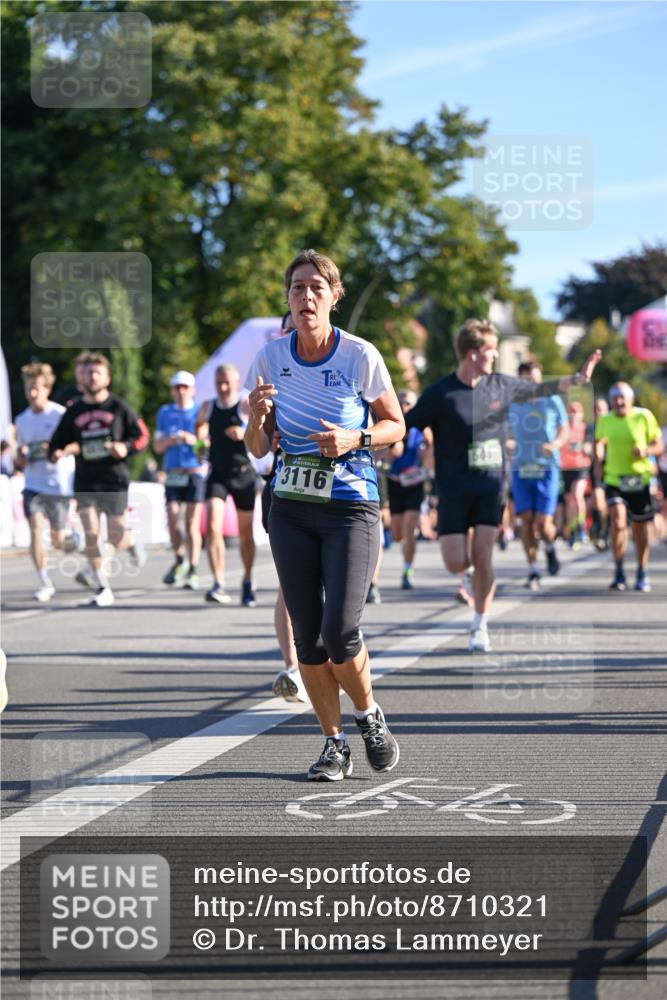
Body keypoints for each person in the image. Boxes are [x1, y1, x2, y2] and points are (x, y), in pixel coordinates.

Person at [245, 249, 404, 781]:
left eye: (316, 287)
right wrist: (254, 418)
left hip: (351, 505)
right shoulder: (270, 358)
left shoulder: (359, 355)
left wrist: (354, 437)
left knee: (340, 629)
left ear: (334, 296)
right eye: (296, 288)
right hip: (290, 505)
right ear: (288, 298)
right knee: (308, 634)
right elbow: (260, 447)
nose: (306, 296)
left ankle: (369, 714)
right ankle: (333, 743)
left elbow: (395, 425)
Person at [405, 318, 601, 653]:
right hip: (453, 487)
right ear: (472, 353)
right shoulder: (441, 393)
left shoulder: (501, 385)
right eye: (490, 350)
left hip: (491, 483)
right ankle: (467, 579)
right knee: (456, 562)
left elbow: (543, 388)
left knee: (484, 556)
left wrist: (577, 379)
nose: (495, 356)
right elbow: (406, 424)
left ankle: (479, 624)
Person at [49, 353, 149, 607]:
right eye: (87, 373)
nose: (91, 377)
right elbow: (56, 442)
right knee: (91, 534)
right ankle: (102, 586)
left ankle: (130, 542)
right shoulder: (74, 410)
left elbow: (142, 436)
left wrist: (126, 447)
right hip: (85, 481)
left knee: (116, 534)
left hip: (114, 478)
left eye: (97, 373)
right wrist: (56, 452)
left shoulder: (119, 407)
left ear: (107, 377)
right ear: (81, 378)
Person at [196, 363, 258, 607]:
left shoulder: (244, 404)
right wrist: (200, 444)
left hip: (243, 474)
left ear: (236, 382)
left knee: (245, 534)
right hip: (217, 474)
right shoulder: (208, 406)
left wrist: (244, 433)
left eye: (227, 383)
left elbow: (259, 434)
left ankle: (248, 579)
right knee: (212, 526)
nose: (223, 387)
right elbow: (199, 427)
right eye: (219, 383)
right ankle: (218, 583)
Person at [14, 363, 76, 601]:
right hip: (33, 484)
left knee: (59, 540)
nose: (32, 393)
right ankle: (44, 581)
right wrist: (21, 456)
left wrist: (62, 450)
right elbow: (20, 454)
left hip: (59, 484)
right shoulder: (22, 419)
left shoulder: (60, 414)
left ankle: (75, 540)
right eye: (29, 388)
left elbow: (75, 444)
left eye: (37, 388)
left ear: (47, 389)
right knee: (36, 532)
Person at [594, 382, 664, 592]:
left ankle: (642, 570)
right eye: (615, 397)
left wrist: (645, 451)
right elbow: (599, 440)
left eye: (623, 396)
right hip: (615, 479)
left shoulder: (643, 417)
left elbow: (659, 445)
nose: (619, 401)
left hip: (639, 479)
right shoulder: (605, 420)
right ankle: (619, 570)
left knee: (640, 529)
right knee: (617, 519)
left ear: (631, 399)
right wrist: (598, 454)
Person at [508, 358, 568, 590]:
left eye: (534, 380)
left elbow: (565, 428)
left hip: (546, 468)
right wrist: (509, 441)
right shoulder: (514, 403)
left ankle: (550, 548)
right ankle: (533, 570)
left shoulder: (552, 400)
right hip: (521, 468)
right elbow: (504, 429)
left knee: (543, 524)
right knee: (526, 521)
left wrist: (555, 444)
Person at [154, 371, 206, 590]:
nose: (181, 391)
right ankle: (179, 560)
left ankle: (193, 568)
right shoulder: (165, 412)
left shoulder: (199, 411)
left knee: (192, 523)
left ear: (192, 390)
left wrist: (191, 440)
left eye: (185, 387)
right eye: (177, 388)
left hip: (194, 471)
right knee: (174, 521)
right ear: (172, 391)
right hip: (173, 472)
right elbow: (157, 446)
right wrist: (171, 440)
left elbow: (205, 447)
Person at [384, 389, 433, 590]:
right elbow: (379, 451)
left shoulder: (421, 428)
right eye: (402, 403)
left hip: (414, 484)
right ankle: (402, 554)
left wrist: (426, 466)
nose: (405, 407)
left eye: (409, 404)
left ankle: (407, 570)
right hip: (394, 482)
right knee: (397, 534)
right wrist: (388, 452)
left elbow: (431, 451)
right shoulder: (390, 424)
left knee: (409, 527)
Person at [560, 399, 593, 549]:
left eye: (576, 413)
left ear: (581, 415)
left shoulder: (585, 428)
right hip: (566, 467)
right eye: (571, 412)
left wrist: (587, 447)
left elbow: (592, 445)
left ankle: (581, 526)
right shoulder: (563, 429)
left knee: (577, 494)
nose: (573, 416)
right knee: (569, 501)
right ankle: (572, 528)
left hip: (581, 467)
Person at [589, 397, 609, 550]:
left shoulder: (612, 425)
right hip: (596, 469)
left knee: (611, 505)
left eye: (601, 409)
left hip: (613, 469)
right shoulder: (589, 429)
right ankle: (600, 531)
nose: (598, 412)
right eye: (596, 409)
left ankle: (605, 530)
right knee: (598, 499)